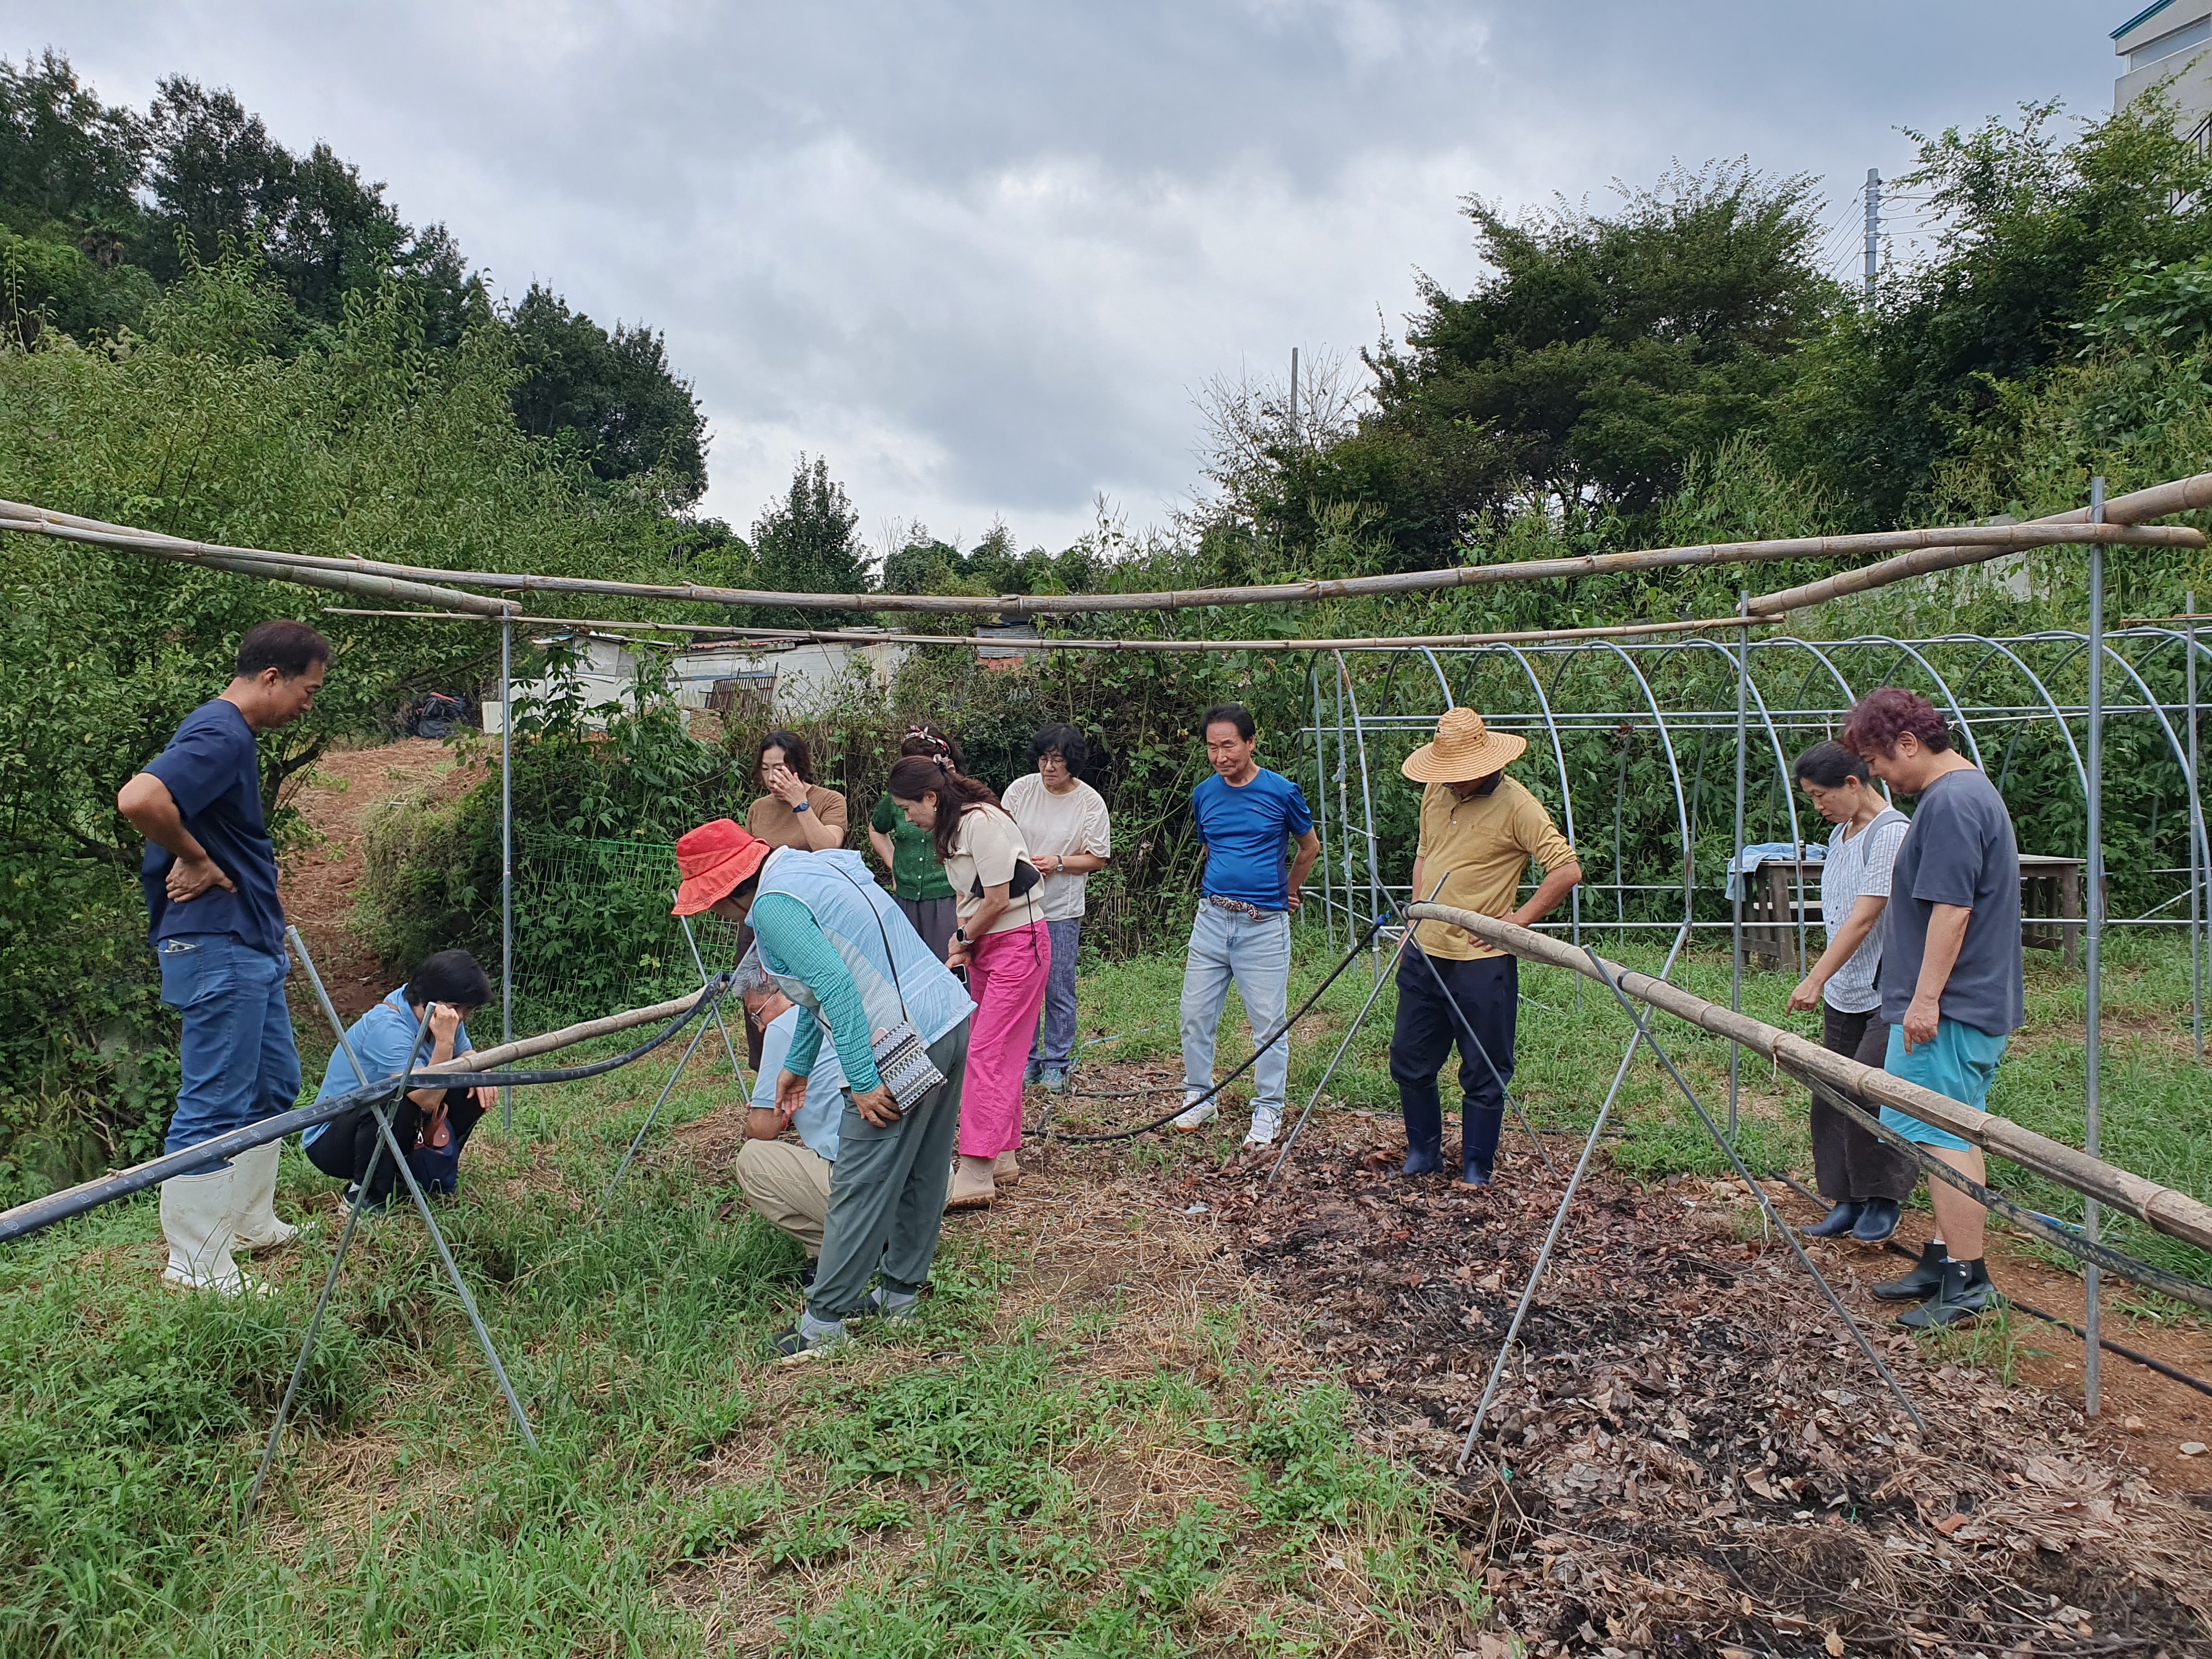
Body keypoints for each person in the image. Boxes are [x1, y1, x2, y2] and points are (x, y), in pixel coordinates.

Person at [674, 817, 971, 1359]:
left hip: (895, 1037)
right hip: (945, 1017)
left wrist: (862, 1080)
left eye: (708, 901)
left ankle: (823, 1327)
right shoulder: (818, 865)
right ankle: (899, 1298)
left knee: (859, 1178)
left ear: (725, 888)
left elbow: (835, 984)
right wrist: (800, 1064)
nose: (713, 914)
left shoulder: (770, 907)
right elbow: (824, 981)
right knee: (923, 1168)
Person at [116, 619, 331, 1293]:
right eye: (308, 690)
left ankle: (247, 1222)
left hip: (248, 942)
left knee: (272, 1087)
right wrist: (195, 856)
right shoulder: (221, 731)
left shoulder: (227, 735)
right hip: (217, 945)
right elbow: (140, 798)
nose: (308, 706)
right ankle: (196, 1263)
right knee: (213, 1101)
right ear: (272, 677)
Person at [1842, 689, 2023, 1329]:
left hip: (1949, 1007)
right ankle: (1945, 1259)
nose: (1879, 776)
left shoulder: (1949, 803)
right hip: (1963, 1000)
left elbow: (1954, 909)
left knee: (1944, 1134)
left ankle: (1969, 1280)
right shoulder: (1968, 794)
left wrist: (1923, 1000)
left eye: (1879, 761)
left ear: (1909, 745)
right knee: (1940, 1128)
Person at [1390, 707, 1581, 1186]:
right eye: (1446, 774)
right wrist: (1416, 913)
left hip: (1480, 960)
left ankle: (1476, 1166)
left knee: (1483, 1065)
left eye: (1460, 775)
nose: (1452, 782)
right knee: (1409, 1058)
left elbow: (1566, 869)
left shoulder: (1519, 806)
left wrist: (1515, 922)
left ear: (1487, 765)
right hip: (1426, 951)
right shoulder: (1437, 793)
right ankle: (1422, 1153)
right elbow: (1424, 855)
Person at [887, 754, 1049, 1209]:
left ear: (932, 797)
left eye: (907, 807)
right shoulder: (948, 829)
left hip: (1021, 943)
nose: (906, 817)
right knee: (999, 1049)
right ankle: (1003, 1156)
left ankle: (976, 1169)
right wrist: (963, 944)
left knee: (985, 1052)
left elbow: (997, 900)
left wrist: (961, 936)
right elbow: (967, 894)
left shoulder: (983, 823)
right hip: (985, 947)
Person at [1171, 703, 1322, 1152]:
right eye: (1213, 748)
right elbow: (1209, 847)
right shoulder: (1204, 794)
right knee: (1194, 1014)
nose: (1221, 756)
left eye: (1229, 746)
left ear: (1251, 742)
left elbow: (1308, 847)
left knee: (1268, 1022)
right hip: (1213, 918)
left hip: (1263, 925)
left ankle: (1269, 1106)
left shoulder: (1281, 791)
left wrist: (1290, 891)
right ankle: (1199, 1094)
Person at [1784, 740, 1916, 1243]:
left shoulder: (1890, 835)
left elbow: (1865, 918)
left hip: (1887, 986)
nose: (1818, 806)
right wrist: (1829, 979)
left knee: (1873, 1093)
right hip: (1847, 987)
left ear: (1854, 784)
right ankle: (1847, 1199)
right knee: (1832, 1093)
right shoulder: (1843, 834)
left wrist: (1814, 977)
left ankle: (1883, 1200)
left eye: (1822, 794)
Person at [303, 950, 499, 1210]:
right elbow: (426, 1100)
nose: (461, 1018)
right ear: (433, 1002)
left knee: (470, 1086)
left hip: (381, 1124)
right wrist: (444, 1042)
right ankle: (364, 1196)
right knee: (397, 1099)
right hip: (332, 1141)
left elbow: (466, 1053)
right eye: (457, 1009)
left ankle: (432, 1170)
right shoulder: (387, 1028)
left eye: (467, 1011)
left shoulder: (441, 1014)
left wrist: (479, 1069)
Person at [1003, 723, 1112, 1094]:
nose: (1049, 768)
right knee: (1022, 986)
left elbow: (1098, 858)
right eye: (1044, 759)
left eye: (1058, 761)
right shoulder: (1020, 790)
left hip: (1061, 908)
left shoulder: (1089, 802)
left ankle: (1058, 1062)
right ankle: (1027, 1060)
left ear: (1073, 764)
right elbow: (999, 838)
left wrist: (1059, 863)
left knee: (1058, 986)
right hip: (1017, 905)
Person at [730, 949, 848, 1265]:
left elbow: (763, 1128)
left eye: (757, 1013)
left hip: (867, 1187)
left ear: (774, 986)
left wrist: (757, 1115)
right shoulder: (840, 1001)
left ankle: (835, 1249)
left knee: (752, 1159)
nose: (758, 1027)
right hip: (929, 1185)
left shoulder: (785, 1025)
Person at [868, 725, 962, 962]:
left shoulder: (958, 798)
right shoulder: (894, 801)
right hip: (906, 898)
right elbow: (876, 829)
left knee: (949, 963)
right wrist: (893, 866)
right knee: (908, 964)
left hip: (947, 898)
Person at [746, 729, 848, 852]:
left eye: (779, 769)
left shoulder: (830, 800)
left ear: (799, 766)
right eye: (765, 769)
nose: (771, 778)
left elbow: (828, 849)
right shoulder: (758, 808)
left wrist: (800, 803)